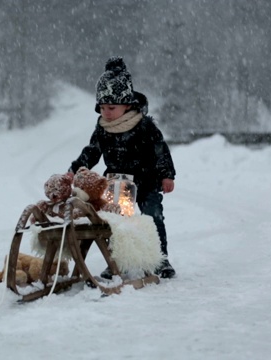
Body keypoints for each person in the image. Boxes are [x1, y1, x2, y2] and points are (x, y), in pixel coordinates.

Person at [67, 56, 177, 279]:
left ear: (127, 105)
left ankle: (160, 260)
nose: (106, 112)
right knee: (117, 222)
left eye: (112, 107)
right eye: (102, 107)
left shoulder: (143, 125)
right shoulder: (103, 128)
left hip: (146, 180)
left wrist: (167, 175)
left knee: (153, 218)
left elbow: (160, 150)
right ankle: (118, 261)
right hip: (119, 181)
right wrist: (77, 169)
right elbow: (93, 151)